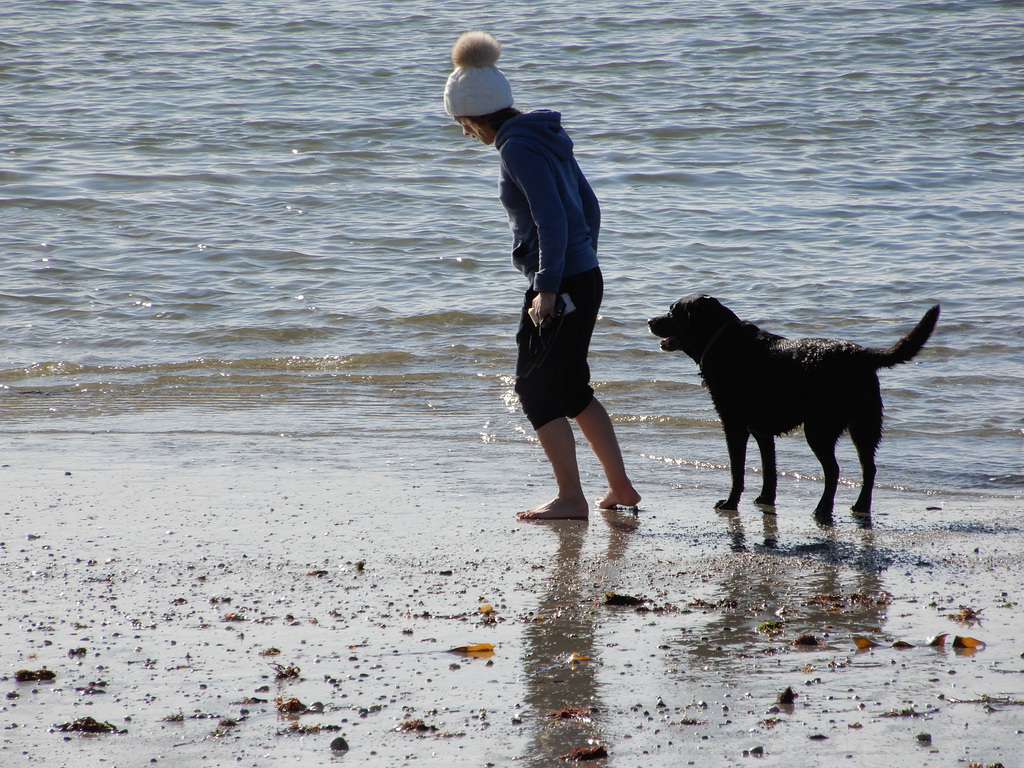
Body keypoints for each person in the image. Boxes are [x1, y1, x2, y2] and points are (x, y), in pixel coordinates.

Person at [444, 31, 641, 520]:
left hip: (560, 284)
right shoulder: (544, 135)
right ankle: (619, 488)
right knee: (572, 389)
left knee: (534, 390)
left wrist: (549, 286)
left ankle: (572, 499)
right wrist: (582, 260)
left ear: (475, 115)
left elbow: (551, 218)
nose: (466, 134)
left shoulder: (516, 148)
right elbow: (590, 205)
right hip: (583, 276)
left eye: (463, 125)